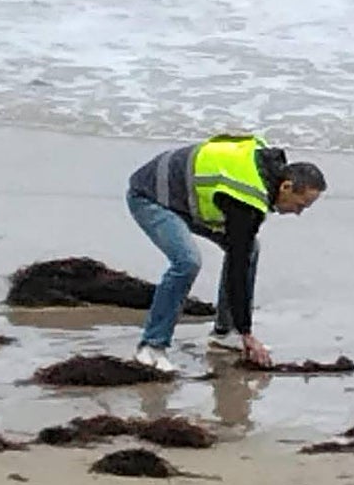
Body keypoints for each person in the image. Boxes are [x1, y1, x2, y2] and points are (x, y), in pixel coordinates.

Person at [126, 133, 327, 373]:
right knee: (187, 262)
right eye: (299, 204)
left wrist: (241, 331)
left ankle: (224, 333)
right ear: (286, 187)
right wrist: (248, 333)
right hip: (151, 196)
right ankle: (151, 347)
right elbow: (237, 267)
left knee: (250, 247)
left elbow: (240, 252)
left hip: (187, 197)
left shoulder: (265, 174)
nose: (298, 213)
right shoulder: (246, 197)